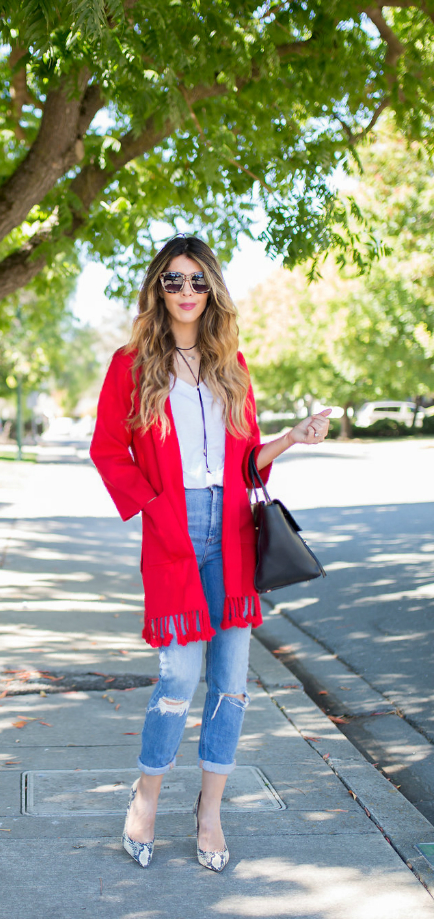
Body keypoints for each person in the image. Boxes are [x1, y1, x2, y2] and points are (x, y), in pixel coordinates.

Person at [89, 234, 330, 872]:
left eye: (198, 281)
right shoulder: (131, 365)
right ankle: (146, 797)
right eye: (174, 280)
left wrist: (292, 438)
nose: (187, 291)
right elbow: (108, 450)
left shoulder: (232, 367)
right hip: (174, 532)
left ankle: (210, 811)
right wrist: (155, 509)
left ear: (212, 290)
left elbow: (247, 463)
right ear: (157, 289)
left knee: (231, 685)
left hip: (231, 532)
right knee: (177, 678)